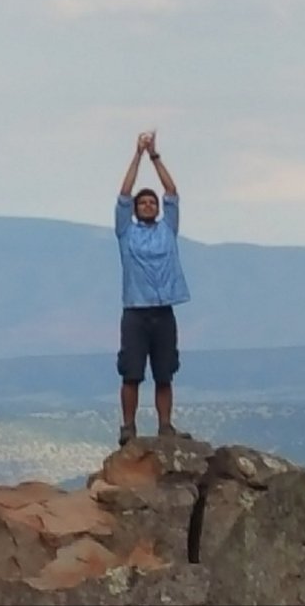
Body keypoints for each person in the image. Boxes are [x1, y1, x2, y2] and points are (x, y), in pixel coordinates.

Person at [114, 130, 191, 446]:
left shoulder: (168, 229)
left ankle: (165, 426)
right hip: (135, 311)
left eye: (151, 202)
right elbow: (123, 193)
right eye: (142, 203)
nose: (147, 205)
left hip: (163, 310)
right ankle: (128, 427)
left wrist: (155, 156)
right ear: (135, 209)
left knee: (164, 373)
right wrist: (136, 156)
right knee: (131, 373)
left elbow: (172, 190)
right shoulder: (126, 233)